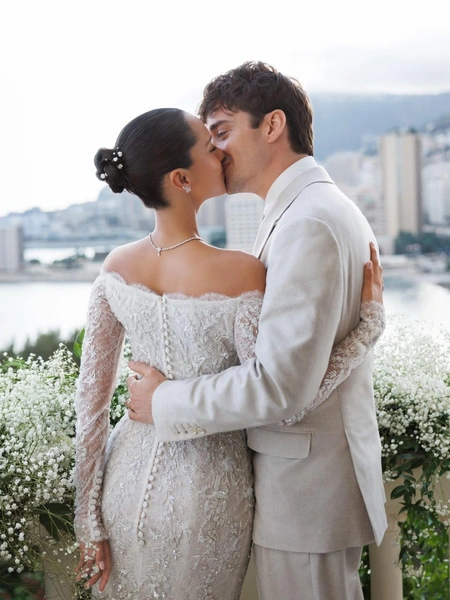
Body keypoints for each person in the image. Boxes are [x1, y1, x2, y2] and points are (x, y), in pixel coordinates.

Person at [74, 107, 384, 599]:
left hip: (123, 483)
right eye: (208, 145)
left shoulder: (115, 268)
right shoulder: (241, 273)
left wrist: (87, 521)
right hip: (209, 494)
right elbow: (284, 400)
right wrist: (365, 332)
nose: (220, 152)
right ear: (181, 179)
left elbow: (90, 404)